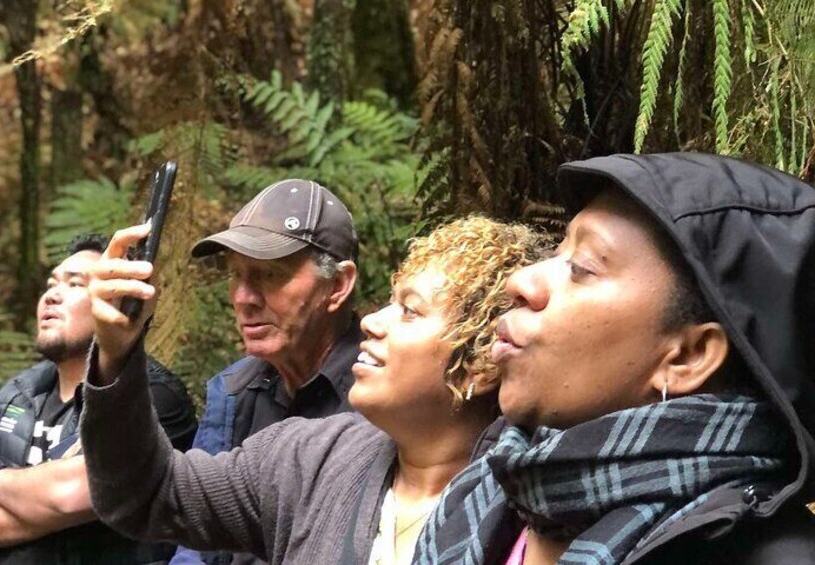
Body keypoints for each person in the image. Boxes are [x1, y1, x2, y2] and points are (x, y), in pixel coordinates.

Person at [413, 153, 815, 564]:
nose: (521, 281)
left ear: (688, 358)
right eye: (557, 251)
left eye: (582, 267)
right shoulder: (480, 497)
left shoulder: (770, 556)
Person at [80, 215, 551, 564]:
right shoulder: (311, 459)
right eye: (390, 302)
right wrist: (117, 354)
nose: (372, 321)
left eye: (410, 311)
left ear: (482, 361)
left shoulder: (536, 499)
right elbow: (152, 492)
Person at [0, 234, 198, 564]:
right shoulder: (14, 395)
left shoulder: (150, 396)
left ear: (116, 301)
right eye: (51, 283)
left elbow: (71, 495)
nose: (52, 296)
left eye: (75, 284)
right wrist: (39, 503)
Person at [170, 179, 364, 564]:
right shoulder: (235, 391)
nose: (244, 298)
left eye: (270, 274)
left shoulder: (381, 394)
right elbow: (194, 540)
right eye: (236, 275)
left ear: (338, 285)